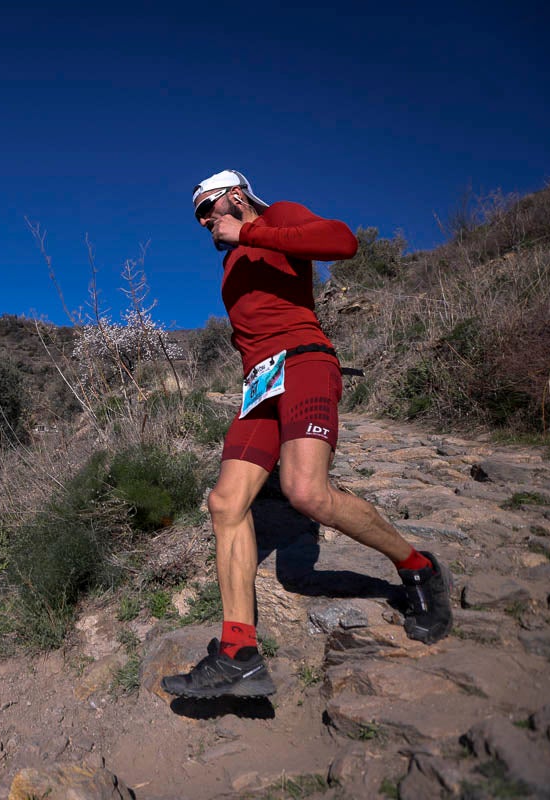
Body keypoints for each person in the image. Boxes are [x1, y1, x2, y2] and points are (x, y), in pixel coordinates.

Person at [162, 170, 452, 700]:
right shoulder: (229, 265)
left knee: (306, 493)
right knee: (225, 502)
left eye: (209, 208)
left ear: (236, 196)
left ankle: (418, 567)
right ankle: (238, 653)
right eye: (198, 216)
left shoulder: (278, 218)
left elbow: (342, 242)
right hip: (259, 386)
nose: (204, 221)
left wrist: (248, 232)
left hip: (305, 364)